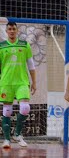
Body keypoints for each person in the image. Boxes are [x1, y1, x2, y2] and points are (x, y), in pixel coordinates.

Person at [0, 21, 37, 149]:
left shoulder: (25, 45)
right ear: (6, 31)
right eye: (9, 29)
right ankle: (6, 140)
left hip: (22, 82)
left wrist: (34, 82)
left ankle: (17, 134)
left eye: (13, 29)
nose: (11, 31)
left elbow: (31, 65)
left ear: (17, 31)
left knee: (25, 108)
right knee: (7, 111)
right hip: (6, 83)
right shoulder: (1, 46)